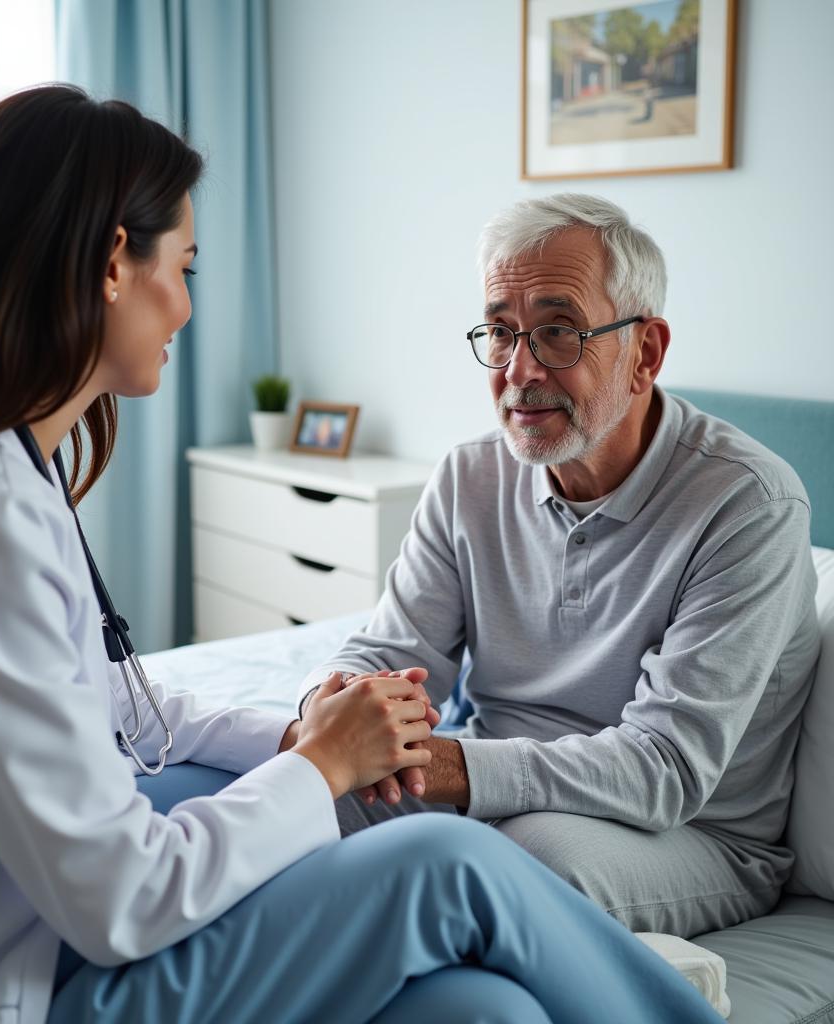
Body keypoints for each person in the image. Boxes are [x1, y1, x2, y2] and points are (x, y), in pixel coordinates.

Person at [0, 87, 725, 1024]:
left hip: (34, 940)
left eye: (558, 332)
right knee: (452, 865)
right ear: (112, 265)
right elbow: (124, 896)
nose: (187, 307)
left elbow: (118, 704)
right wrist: (321, 764)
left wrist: (296, 739)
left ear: (643, 352)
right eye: (186, 267)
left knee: (478, 1008)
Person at [298, 193, 821, 941]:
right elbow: (395, 652)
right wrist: (330, 702)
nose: (520, 371)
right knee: (293, 802)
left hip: (690, 835)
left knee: (505, 865)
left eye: (557, 333)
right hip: (493, 780)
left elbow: (663, 767)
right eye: (502, 333)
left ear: (645, 353)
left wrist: (456, 770)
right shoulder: (468, 476)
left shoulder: (749, 505)